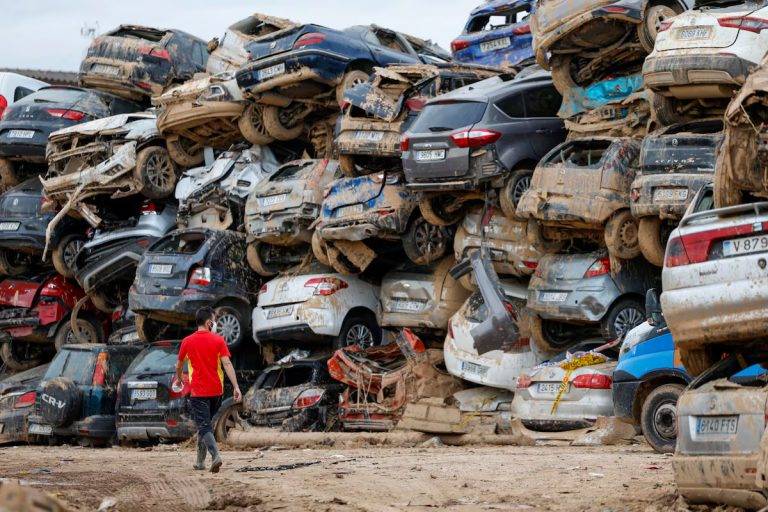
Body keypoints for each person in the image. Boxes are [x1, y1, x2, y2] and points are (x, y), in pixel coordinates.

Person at [175, 306, 242, 473]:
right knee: (205, 425)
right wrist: (236, 386)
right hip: (217, 392)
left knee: (204, 426)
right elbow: (227, 364)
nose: (216, 323)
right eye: (214, 320)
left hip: (198, 392)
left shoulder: (187, 341)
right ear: (208, 323)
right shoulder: (218, 341)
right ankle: (200, 461)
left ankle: (215, 455)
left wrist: (179, 378)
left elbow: (179, 365)